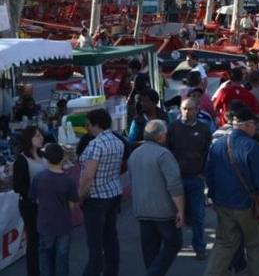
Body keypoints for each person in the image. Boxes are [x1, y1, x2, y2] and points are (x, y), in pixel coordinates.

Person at [204, 102, 259, 276]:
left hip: (223, 204)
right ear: (247, 125)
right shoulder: (253, 147)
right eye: (254, 124)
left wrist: (212, 197)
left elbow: (209, 174)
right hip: (248, 205)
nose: (255, 127)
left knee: (224, 244)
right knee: (255, 245)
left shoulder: (217, 145)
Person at [128, 119, 185, 275]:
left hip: (142, 210)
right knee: (173, 244)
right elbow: (174, 185)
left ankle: (152, 272)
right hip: (164, 211)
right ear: (160, 136)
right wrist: (180, 210)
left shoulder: (135, 154)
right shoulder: (164, 154)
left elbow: (132, 181)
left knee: (150, 251)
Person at [79, 109, 125, 276]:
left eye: (88, 124)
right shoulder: (117, 141)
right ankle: (111, 272)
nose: (87, 128)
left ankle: (93, 271)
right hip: (113, 192)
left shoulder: (96, 144)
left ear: (95, 124)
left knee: (95, 243)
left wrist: (80, 196)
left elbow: (88, 175)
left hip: (96, 198)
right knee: (110, 237)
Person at [166, 99, 213, 260]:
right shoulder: (173, 128)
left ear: (197, 110)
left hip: (196, 179)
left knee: (198, 216)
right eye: (184, 109)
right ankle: (173, 247)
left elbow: (207, 152)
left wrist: (204, 174)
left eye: (190, 109)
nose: (187, 112)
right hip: (176, 180)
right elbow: (167, 152)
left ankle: (199, 247)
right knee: (175, 216)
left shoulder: (204, 129)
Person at [30, 143, 78, 276]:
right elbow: (72, 205)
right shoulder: (68, 181)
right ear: (62, 158)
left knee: (45, 255)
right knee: (62, 258)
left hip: (45, 224)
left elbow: (35, 199)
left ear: (46, 159)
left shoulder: (39, 178)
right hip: (63, 225)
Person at [13, 126, 47, 276]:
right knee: (33, 241)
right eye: (37, 136)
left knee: (46, 240)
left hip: (46, 204)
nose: (41, 138)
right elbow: (18, 186)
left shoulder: (44, 155)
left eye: (41, 135)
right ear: (29, 139)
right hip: (31, 205)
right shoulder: (21, 160)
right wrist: (34, 196)